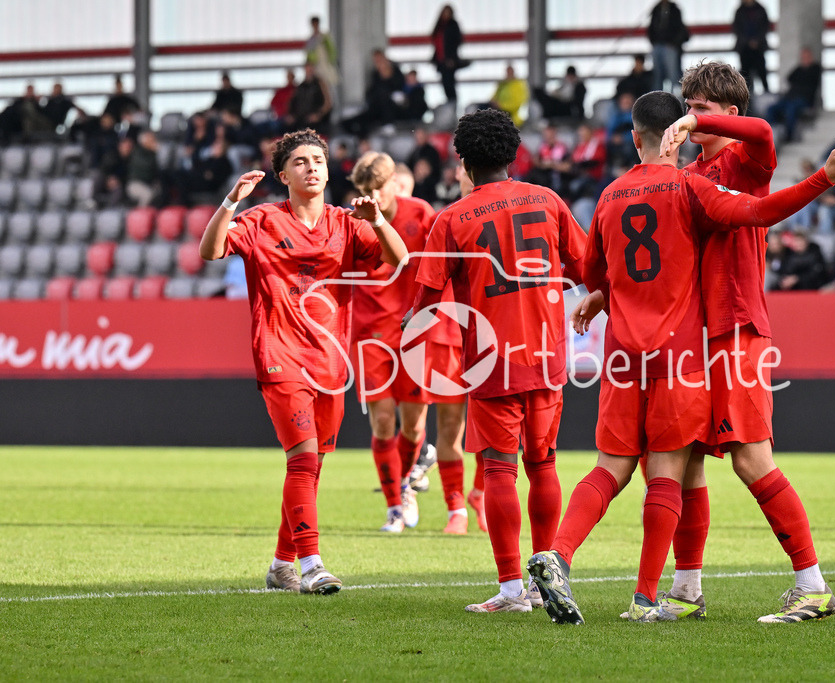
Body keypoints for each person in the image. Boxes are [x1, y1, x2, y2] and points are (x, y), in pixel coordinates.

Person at [529, 90, 835, 625]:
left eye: (704, 108)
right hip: (692, 342)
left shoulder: (736, 161)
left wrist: (823, 176)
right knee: (683, 465)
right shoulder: (692, 177)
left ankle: (811, 584)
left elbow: (760, 178)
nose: (694, 119)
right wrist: (608, 290)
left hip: (731, 329)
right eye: (688, 108)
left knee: (745, 458)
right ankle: (681, 591)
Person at [197, 128, 408, 594]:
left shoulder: (345, 221)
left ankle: (281, 564)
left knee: (310, 467)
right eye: (300, 162)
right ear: (282, 175)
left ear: (329, 171)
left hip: (330, 361)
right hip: (279, 354)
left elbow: (399, 259)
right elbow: (210, 251)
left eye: (318, 160)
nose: (311, 167)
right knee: (303, 459)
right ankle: (313, 565)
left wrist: (378, 220)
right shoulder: (262, 220)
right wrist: (230, 201)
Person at [409, 108, 588, 613]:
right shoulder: (548, 200)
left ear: (462, 159)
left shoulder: (451, 219)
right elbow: (587, 266)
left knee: (499, 472)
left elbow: (424, 304)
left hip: (491, 363)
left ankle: (513, 590)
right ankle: (545, 575)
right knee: (544, 464)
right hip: (547, 357)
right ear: (513, 153)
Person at [348, 151, 473, 535]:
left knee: (415, 426)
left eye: (379, 188)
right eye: (366, 189)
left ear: (394, 184)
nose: (374, 196)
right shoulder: (352, 220)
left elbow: (448, 262)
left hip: (418, 330)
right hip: (371, 330)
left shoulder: (421, 214)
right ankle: (394, 506)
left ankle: (438, 498)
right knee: (384, 419)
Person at [765, 47, 823, 142]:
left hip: (803, 100)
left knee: (791, 109)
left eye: (807, 57)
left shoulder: (815, 69)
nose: (805, 59)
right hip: (789, 98)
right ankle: (772, 133)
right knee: (771, 109)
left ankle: (789, 136)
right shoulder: (799, 69)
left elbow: (810, 83)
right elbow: (789, 78)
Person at [647, 0, 689, 93]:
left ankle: (677, 99)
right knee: (658, 76)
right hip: (658, 46)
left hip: (670, 47)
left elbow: (680, 29)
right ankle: (657, 99)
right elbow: (651, 28)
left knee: (673, 75)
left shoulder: (674, 9)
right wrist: (654, 42)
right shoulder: (656, 9)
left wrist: (673, 43)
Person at [732, 0, 771, 95]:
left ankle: (766, 95)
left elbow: (765, 27)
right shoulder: (740, 11)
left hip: (759, 48)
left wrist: (757, 41)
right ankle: (747, 99)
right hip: (744, 49)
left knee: (762, 73)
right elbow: (737, 29)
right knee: (746, 76)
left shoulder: (761, 10)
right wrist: (748, 42)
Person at [431, 4, 464, 104]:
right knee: (445, 84)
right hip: (440, 61)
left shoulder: (453, 25)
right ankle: (450, 105)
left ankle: (453, 106)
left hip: (449, 61)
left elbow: (456, 42)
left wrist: (451, 58)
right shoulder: (439, 25)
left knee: (450, 84)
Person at [289, 64, 332, 136]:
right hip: (301, 119)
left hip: (318, 121)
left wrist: (318, 115)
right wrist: (291, 115)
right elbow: (293, 102)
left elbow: (328, 103)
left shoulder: (320, 84)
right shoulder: (301, 86)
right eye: (307, 69)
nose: (308, 71)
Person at [305, 16, 339, 89]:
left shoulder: (324, 37)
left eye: (316, 24)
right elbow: (308, 54)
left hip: (325, 64)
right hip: (316, 65)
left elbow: (332, 50)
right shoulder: (311, 39)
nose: (315, 26)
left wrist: (331, 61)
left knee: (327, 84)